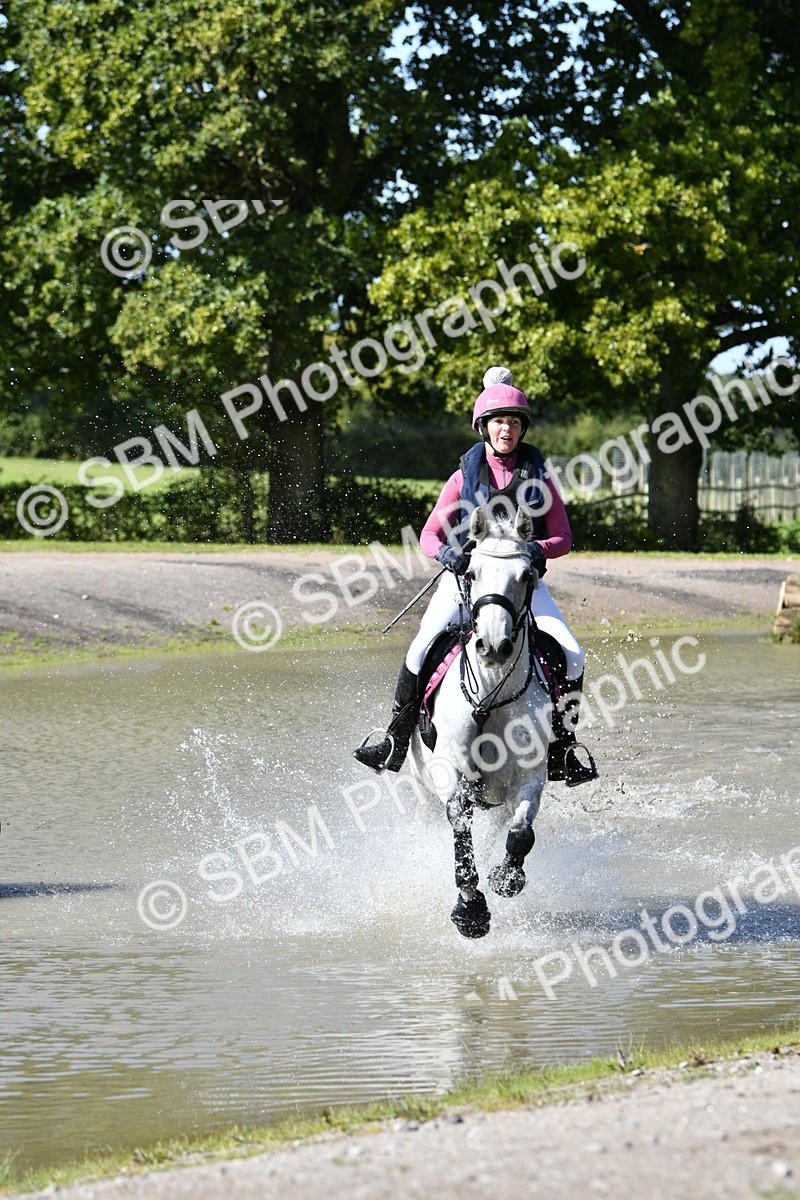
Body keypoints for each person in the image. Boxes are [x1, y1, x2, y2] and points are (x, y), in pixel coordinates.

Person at [353, 366, 598, 787]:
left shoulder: (541, 478)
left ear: (523, 428)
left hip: (520, 583)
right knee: (418, 651)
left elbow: (563, 537)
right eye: (500, 421)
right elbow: (429, 535)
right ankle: (394, 737)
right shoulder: (463, 476)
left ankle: (562, 745)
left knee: (572, 654)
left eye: (515, 422)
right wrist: (449, 554)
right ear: (484, 427)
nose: (508, 429)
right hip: (467, 579)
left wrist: (535, 551)